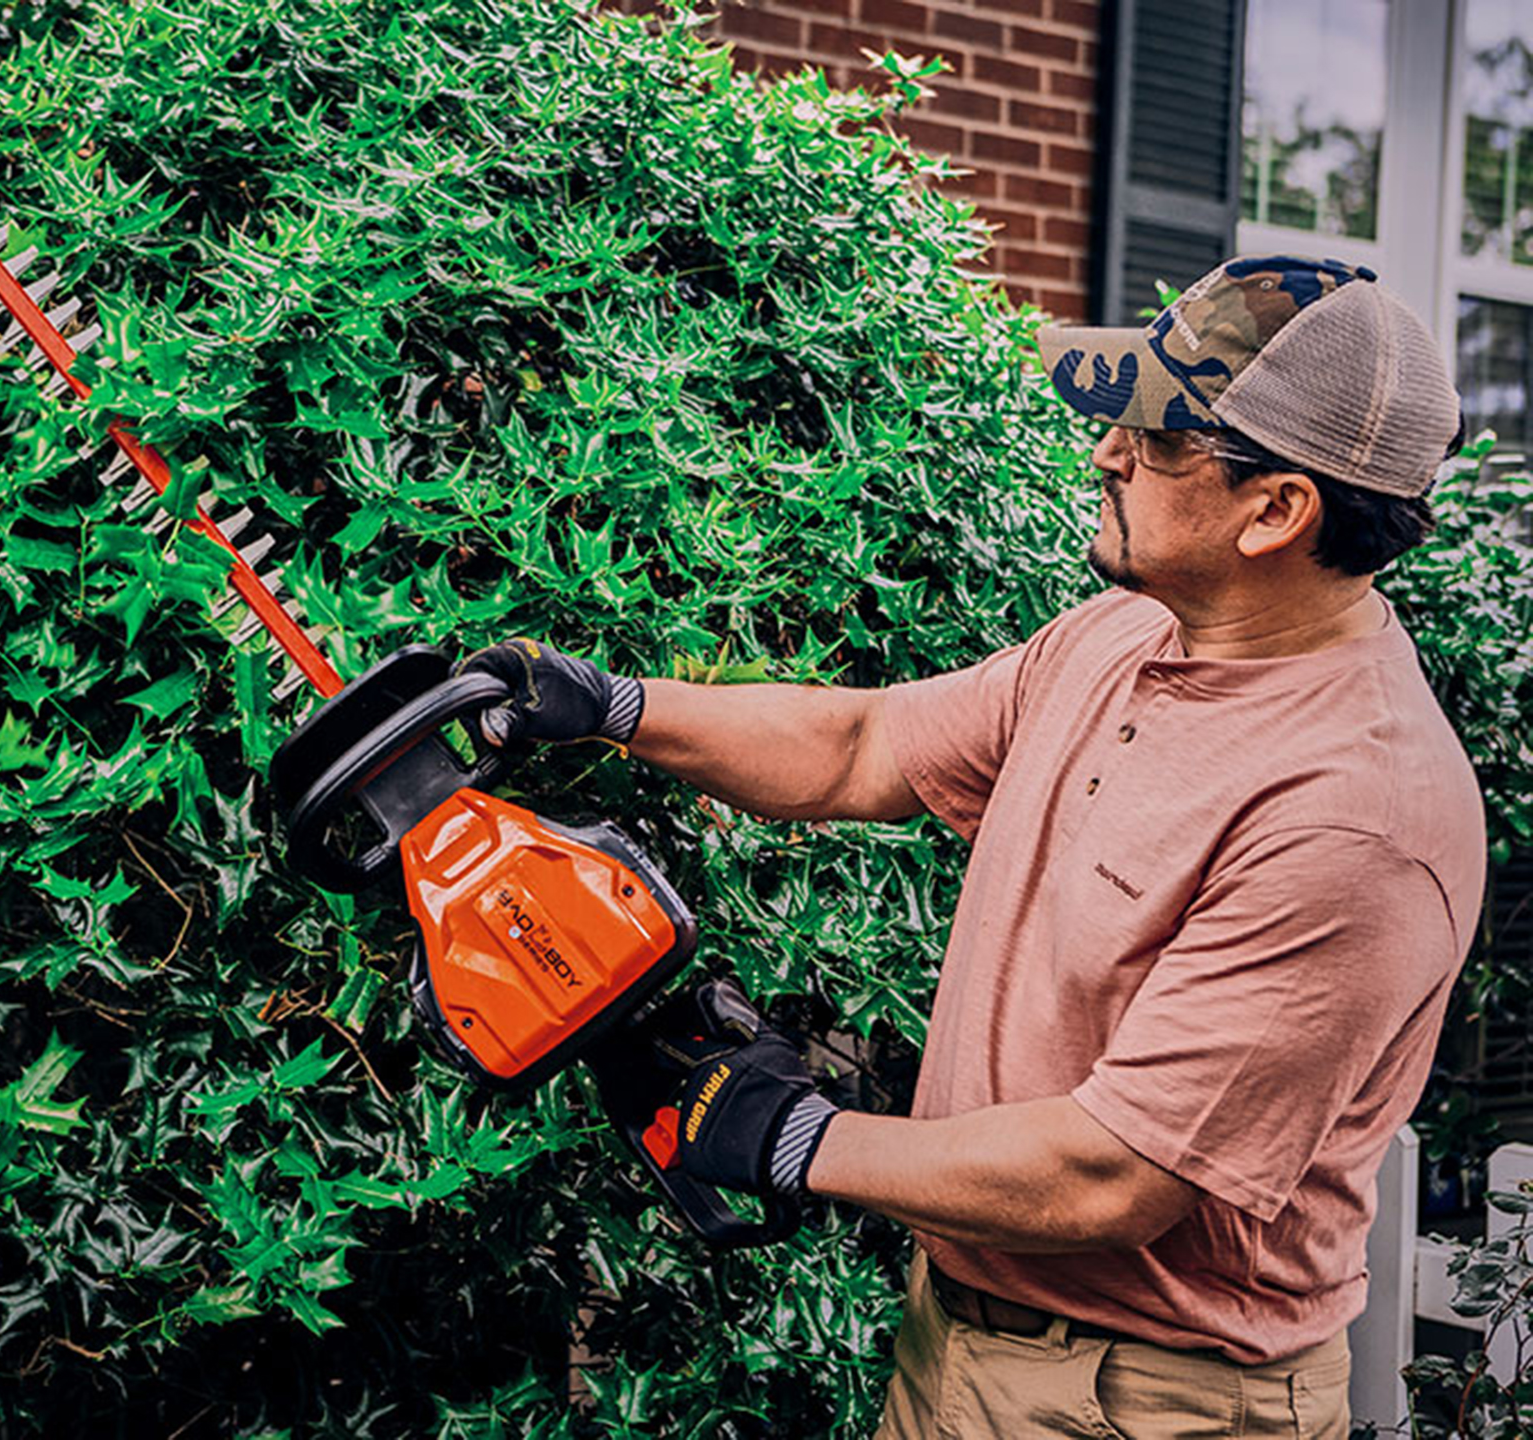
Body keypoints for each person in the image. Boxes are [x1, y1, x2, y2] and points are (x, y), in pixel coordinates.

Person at [458, 257, 1487, 1438]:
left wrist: (791, 1137)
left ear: (1276, 512)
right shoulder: (1129, 635)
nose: (1107, 453)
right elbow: (864, 745)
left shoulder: (1353, 815)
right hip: (962, 1341)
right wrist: (608, 705)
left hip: (1148, 1402)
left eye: (1156, 438)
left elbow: (1113, 1173)